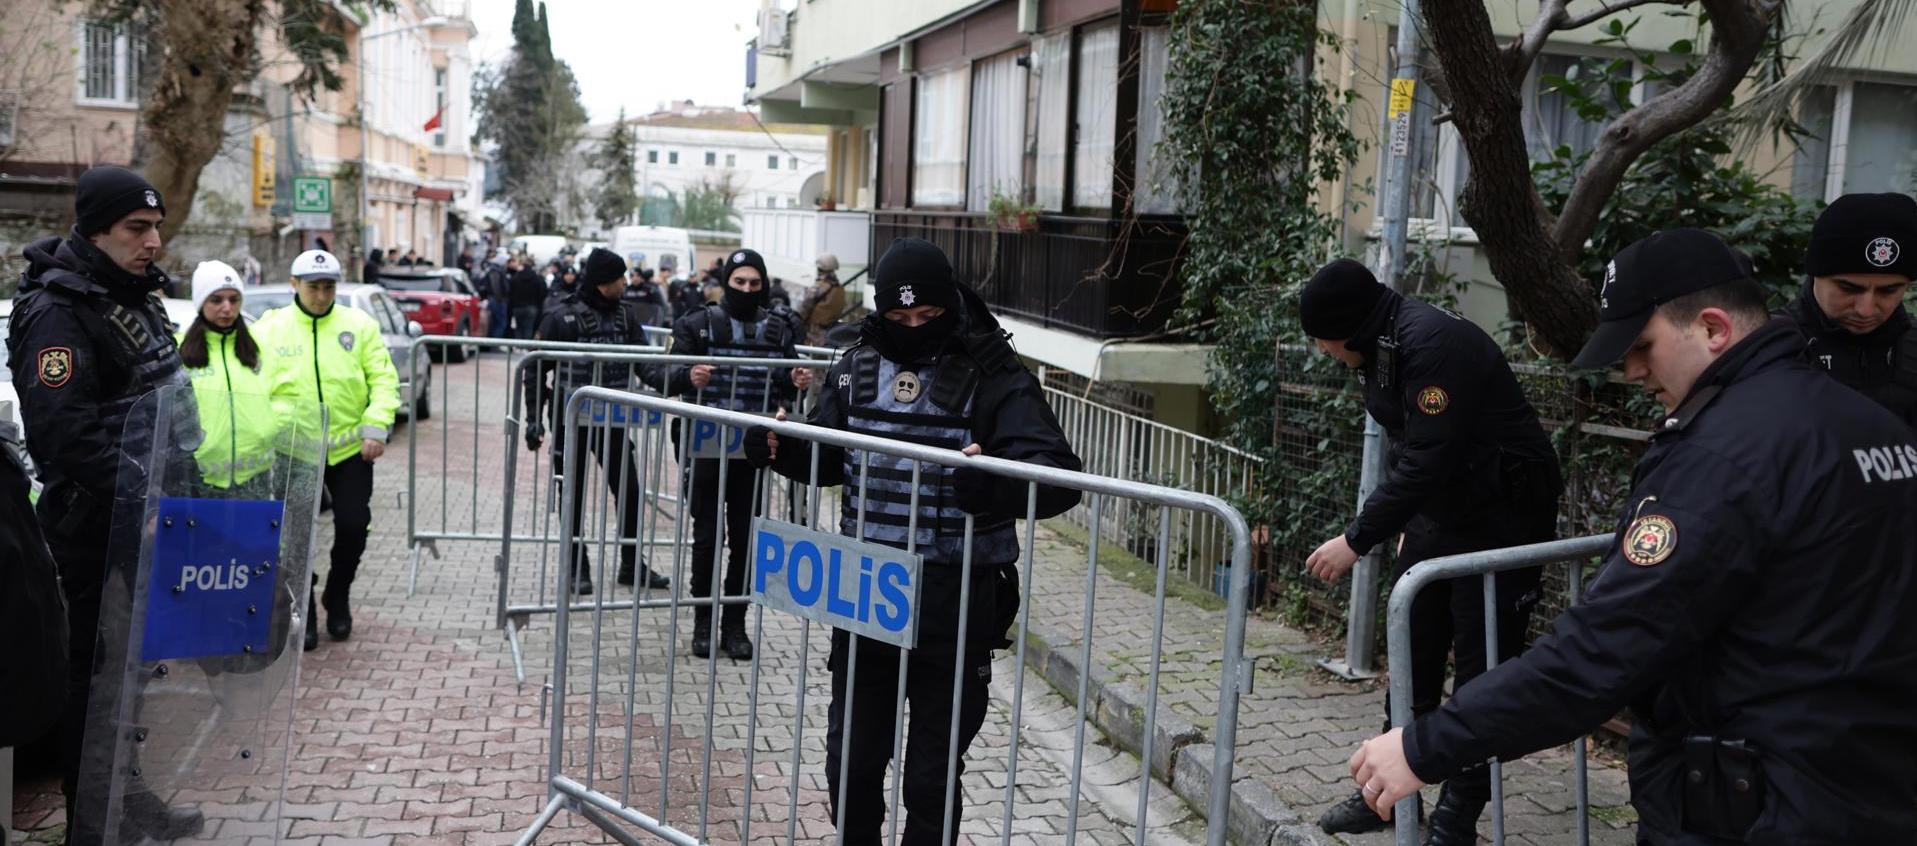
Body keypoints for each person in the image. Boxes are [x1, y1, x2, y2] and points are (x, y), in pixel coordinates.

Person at [1348, 228, 1917, 842]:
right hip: (1873, 782)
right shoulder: (1874, 428)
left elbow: (1605, 647)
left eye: (1643, 345)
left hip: (1762, 799)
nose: (1634, 370)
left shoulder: (1726, 454)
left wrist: (1425, 744)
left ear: (1713, 329)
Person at [743, 238, 1083, 845]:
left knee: (930, 774)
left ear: (950, 305)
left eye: (928, 317)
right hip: (866, 591)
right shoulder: (854, 365)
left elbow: (1058, 476)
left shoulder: (993, 372)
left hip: (956, 598)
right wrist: (782, 450)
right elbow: (830, 458)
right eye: (899, 319)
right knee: (851, 764)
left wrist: (994, 481)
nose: (914, 328)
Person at [1299, 259, 1562, 843]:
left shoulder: (1432, 343)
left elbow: (1429, 457)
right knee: (1411, 649)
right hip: (1444, 510)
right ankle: (1385, 797)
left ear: (1345, 330)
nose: (1323, 353)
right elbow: (1411, 444)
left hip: (1502, 519)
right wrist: (1409, 521)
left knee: (1480, 676)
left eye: (1321, 342)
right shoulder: (1380, 346)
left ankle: (1456, 819)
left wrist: (1355, 539)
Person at [5, 165, 206, 842]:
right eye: (136, 228)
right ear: (96, 230)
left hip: (147, 525)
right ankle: (91, 824)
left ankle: (127, 796)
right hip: (93, 534)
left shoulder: (132, 296)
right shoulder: (57, 311)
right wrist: (140, 497)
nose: (153, 241)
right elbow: (63, 434)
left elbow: (161, 407)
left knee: (131, 681)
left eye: (156, 227)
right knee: (93, 688)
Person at [644, 248, 805, 661]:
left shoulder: (778, 329)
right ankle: (702, 620)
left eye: (755, 283)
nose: (747, 290)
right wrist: (688, 375)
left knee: (746, 538)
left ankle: (735, 623)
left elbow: (786, 384)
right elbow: (664, 375)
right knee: (707, 536)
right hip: (705, 445)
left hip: (752, 447)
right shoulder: (697, 324)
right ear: (727, 282)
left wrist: (793, 390)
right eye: (740, 283)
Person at [255, 249, 402, 651]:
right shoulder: (270, 329)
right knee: (298, 537)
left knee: (354, 526)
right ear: (294, 285)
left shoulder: (359, 325)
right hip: (295, 451)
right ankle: (304, 609)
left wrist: (376, 428)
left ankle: (338, 593)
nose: (322, 295)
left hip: (349, 450)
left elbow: (384, 380)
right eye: (313, 287)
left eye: (329, 287)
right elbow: (255, 388)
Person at [523, 248, 672, 595]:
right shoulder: (561, 318)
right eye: (620, 277)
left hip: (614, 419)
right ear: (605, 282)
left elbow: (646, 366)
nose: (625, 282)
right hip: (570, 420)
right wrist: (534, 420)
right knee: (571, 492)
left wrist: (678, 380)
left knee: (630, 492)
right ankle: (577, 566)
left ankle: (632, 564)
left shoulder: (626, 317)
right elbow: (535, 367)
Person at [1784, 192, 1917, 426]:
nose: (1866, 310)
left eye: (1888, 291)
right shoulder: (1766, 347)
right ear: (1815, 275)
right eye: (1848, 288)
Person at [178, 261, 276, 489]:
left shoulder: (260, 347)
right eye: (216, 300)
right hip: (201, 478)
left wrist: (268, 430)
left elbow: (281, 395)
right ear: (201, 302)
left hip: (254, 475)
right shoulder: (179, 351)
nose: (227, 307)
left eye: (234, 299)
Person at [798, 252, 851, 346]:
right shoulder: (839, 288)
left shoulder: (818, 287)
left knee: (813, 359)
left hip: (815, 334)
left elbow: (804, 307)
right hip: (832, 332)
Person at [509, 254, 547, 339]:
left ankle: (518, 346)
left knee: (518, 327)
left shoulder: (515, 277)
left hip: (517, 307)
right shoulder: (536, 278)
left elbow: (510, 292)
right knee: (528, 327)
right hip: (532, 306)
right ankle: (526, 346)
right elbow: (541, 292)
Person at [483, 248, 513, 339]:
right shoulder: (495, 271)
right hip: (497, 300)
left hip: (496, 299)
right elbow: (496, 287)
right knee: (500, 322)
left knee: (497, 322)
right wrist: (500, 299)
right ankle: (495, 342)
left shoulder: (496, 270)